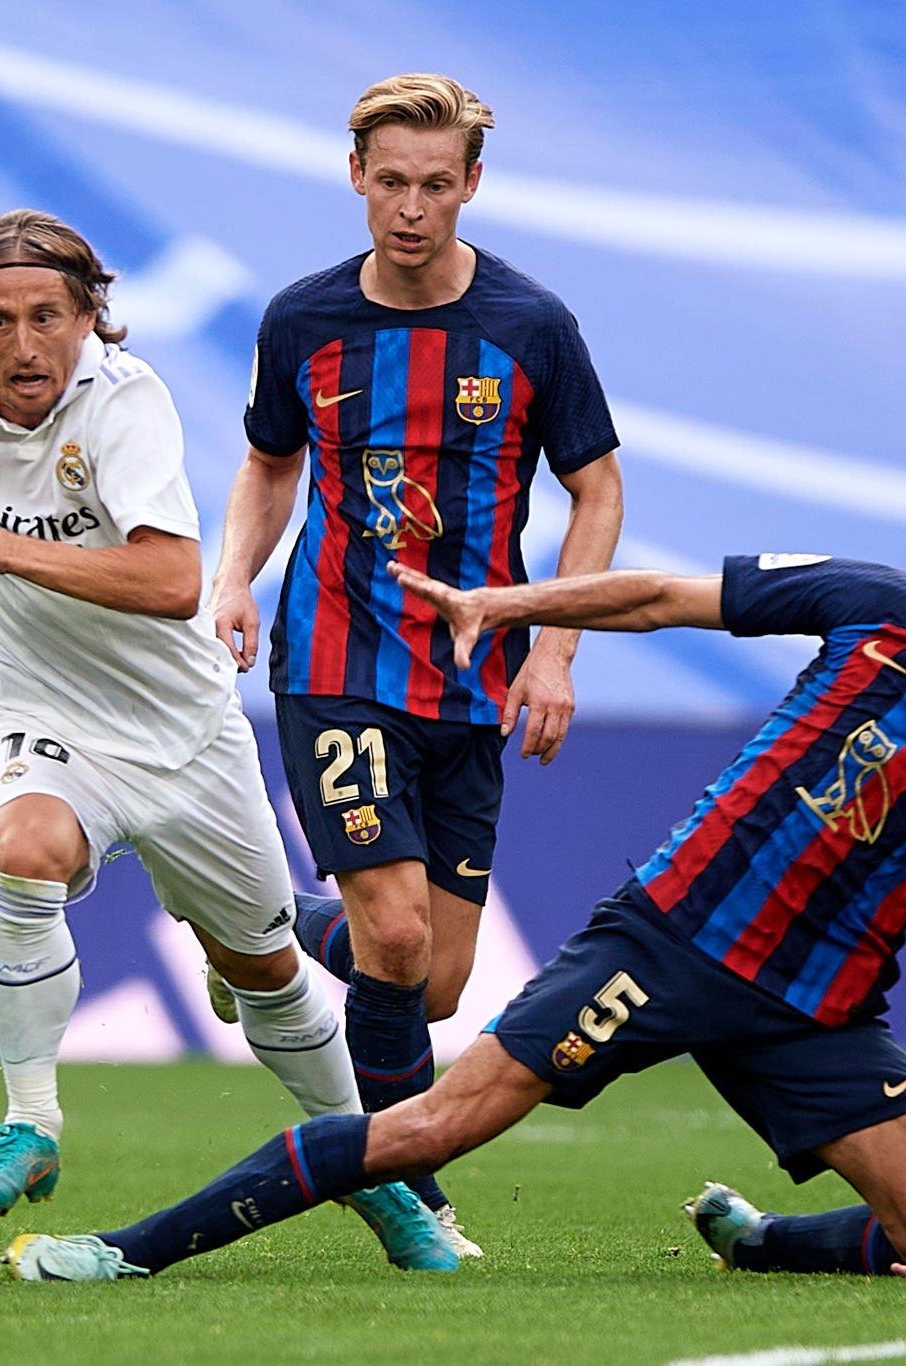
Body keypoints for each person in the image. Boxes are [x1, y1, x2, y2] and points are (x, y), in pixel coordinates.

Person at [0, 488, 906, 1287]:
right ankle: (123, 1250)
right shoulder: (885, 607)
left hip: (818, 1009)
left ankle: (755, 1245)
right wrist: (507, 608)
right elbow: (656, 596)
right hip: (664, 944)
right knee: (428, 1131)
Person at [0, 209, 453, 1271]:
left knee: (260, 970)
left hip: (184, 734)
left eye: (47, 317)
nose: (23, 344)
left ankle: (373, 1176)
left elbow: (171, 581)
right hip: (48, 714)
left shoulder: (126, 404)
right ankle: (31, 1122)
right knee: (22, 849)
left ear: (87, 319)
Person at [205, 73, 625, 1253]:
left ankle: (261, 930)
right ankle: (408, 1194)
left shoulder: (531, 326)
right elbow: (267, 462)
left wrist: (554, 651)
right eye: (389, 182)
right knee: (391, 943)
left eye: (434, 185)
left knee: (431, 984)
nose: (409, 207)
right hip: (333, 657)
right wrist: (236, 575)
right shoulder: (303, 319)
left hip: (469, 681)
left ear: (470, 185)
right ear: (355, 176)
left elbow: (596, 489)